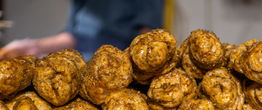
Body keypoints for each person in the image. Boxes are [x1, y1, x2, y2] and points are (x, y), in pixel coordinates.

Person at [0, 0, 164, 61]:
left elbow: (147, 39)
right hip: (80, 66)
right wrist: (32, 47)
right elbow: (72, 37)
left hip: (118, 67)